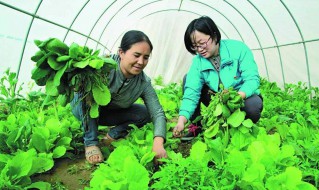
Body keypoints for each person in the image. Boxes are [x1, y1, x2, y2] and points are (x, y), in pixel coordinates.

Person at [71, 30, 167, 164]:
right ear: (121, 53)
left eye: (146, 57)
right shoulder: (102, 67)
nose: (141, 62)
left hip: (111, 115)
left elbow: (157, 112)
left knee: (145, 113)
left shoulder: (143, 82)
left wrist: (158, 143)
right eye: (137, 55)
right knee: (85, 93)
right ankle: (91, 142)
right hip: (85, 111)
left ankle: (114, 133)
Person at [173, 16, 263, 141]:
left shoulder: (238, 49)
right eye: (195, 46)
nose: (200, 50)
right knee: (188, 79)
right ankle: (196, 126)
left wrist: (237, 96)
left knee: (253, 106)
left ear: (214, 36)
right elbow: (191, 92)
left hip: (240, 96)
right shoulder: (198, 62)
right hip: (216, 98)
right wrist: (181, 120)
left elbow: (252, 79)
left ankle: (240, 127)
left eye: (202, 43)